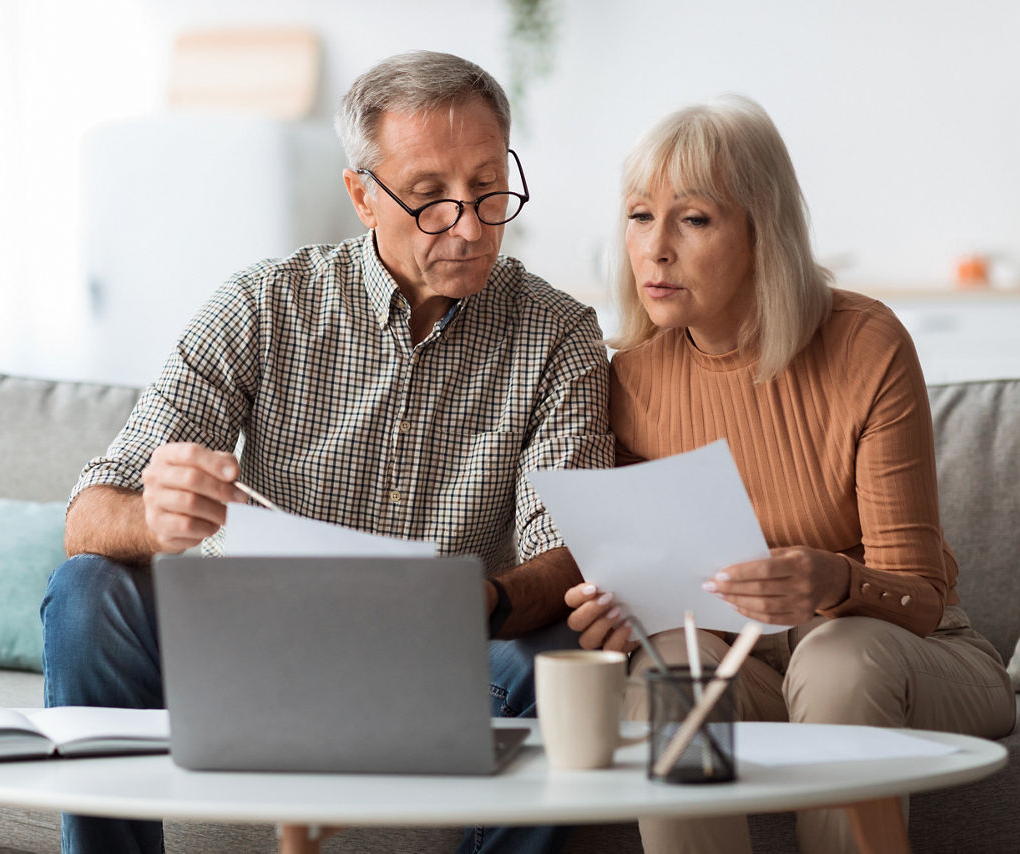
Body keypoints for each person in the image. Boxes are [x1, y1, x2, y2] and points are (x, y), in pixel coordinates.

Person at [41, 50, 613, 854]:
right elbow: (89, 515)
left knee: (560, 656)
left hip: (441, 664)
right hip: (249, 649)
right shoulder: (263, 303)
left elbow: (571, 552)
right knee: (86, 590)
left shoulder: (559, 335)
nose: (473, 225)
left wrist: (472, 601)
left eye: (489, 188)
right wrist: (161, 520)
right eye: (430, 199)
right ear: (361, 196)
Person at [565, 95, 1015, 854]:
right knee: (666, 671)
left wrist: (836, 583)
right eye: (641, 216)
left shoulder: (863, 344)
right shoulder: (632, 377)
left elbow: (920, 594)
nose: (656, 248)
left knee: (839, 657)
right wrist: (613, 616)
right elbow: (663, 585)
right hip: (747, 663)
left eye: (694, 218)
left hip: (912, 654)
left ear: (761, 232)